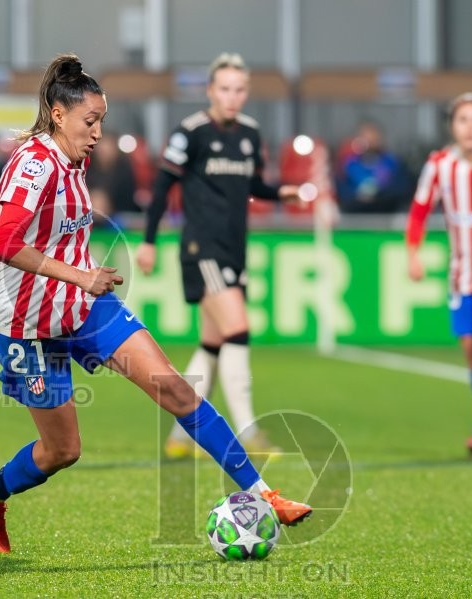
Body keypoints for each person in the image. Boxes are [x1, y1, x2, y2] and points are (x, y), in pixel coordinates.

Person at [0, 54, 311, 554]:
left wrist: (81, 282)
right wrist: (82, 275)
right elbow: (5, 245)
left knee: (176, 390)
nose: (99, 131)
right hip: (26, 323)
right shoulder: (33, 165)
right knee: (62, 451)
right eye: (91, 120)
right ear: (58, 115)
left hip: (83, 307)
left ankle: (263, 493)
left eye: (102, 119)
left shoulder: (73, 158)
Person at [135, 53, 300, 460]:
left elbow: (253, 185)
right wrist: (149, 241)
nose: (232, 96)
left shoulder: (250, 133)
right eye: (224, 88)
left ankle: (178, 434)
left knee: (212, 344)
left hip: (233, 249)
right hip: (201, 248)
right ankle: (248, 430)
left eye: (239, 89)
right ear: (210, 90)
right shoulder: (190, 133)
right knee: (238, 328)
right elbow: (161, 188)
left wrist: (280, 193)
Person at [407, 92, 472, 458]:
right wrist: (413, 254)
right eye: (463, 120)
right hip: (461, 276)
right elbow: (420, 210)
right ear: (452, 126)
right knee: (471, 352)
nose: (470, 128)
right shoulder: (440, 165)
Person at [336, 120, 412, 213]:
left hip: (386, 214)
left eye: (373, 138)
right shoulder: (348, 165)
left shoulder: (393, 163)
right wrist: (357, 197)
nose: (369, 141)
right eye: (365, 137)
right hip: (355, 216)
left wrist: (378, 195)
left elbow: (402, 190)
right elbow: (342, 192)